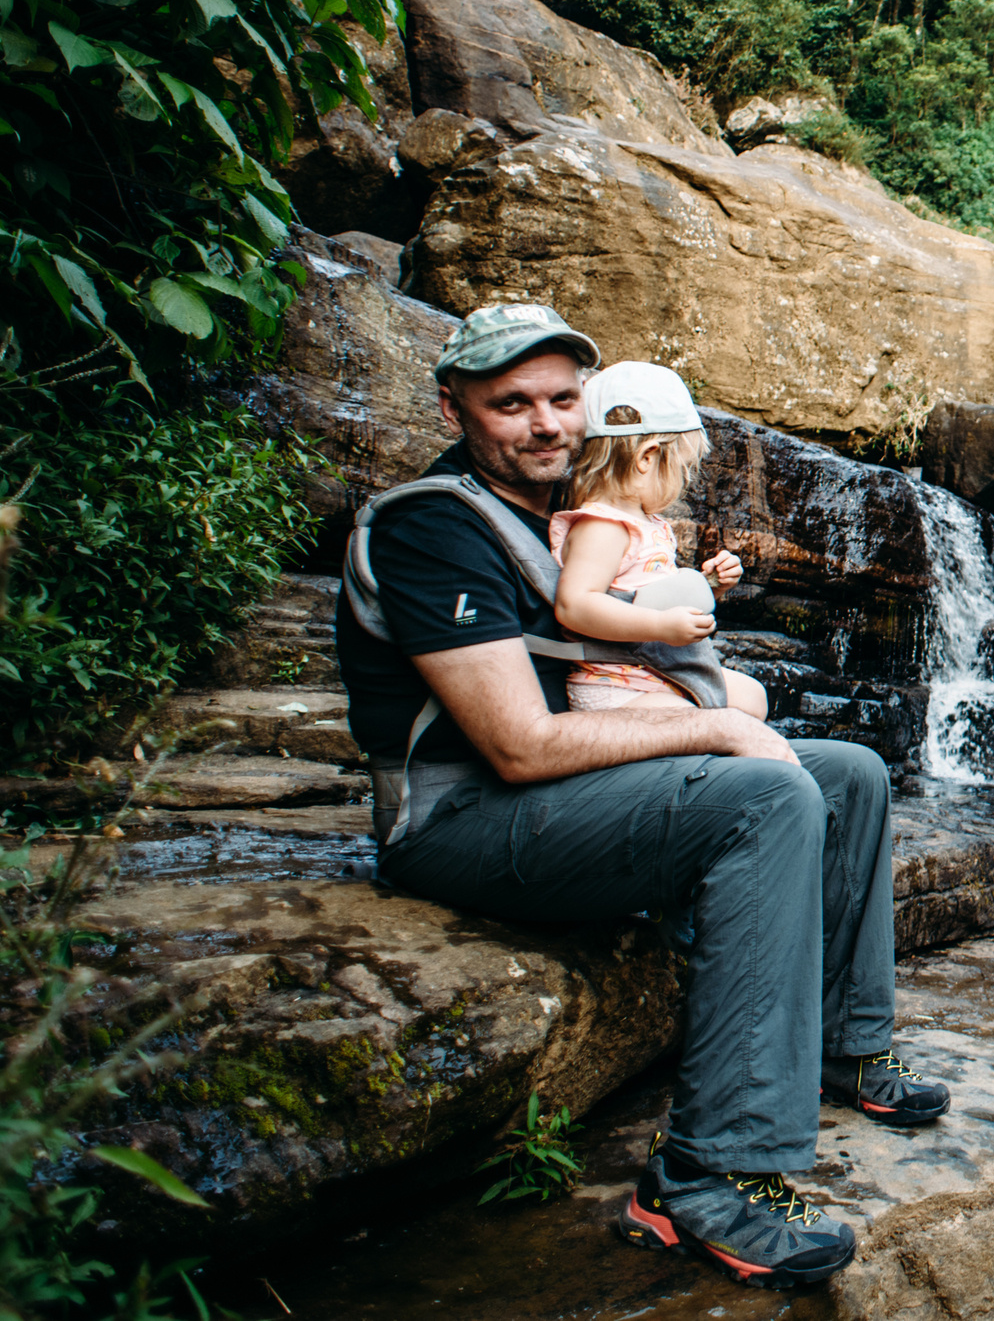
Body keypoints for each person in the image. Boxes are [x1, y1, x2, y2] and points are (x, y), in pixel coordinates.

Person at [333, 303, 949, 1293]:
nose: (546, 424)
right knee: (767, 797)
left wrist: (718, 685)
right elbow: (519, 745)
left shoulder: (576, 517)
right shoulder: (430, 528)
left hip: (587, 788)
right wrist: (718, 725)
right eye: (511, 404)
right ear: (454, 407)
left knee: (849, 773)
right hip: (462, 818)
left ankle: (845, 1049)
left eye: (564, 399)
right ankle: (708, 1176)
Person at [546, 359, 764, 718]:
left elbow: (644, 592)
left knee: (752, 697)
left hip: (654, 673)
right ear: (647, 458)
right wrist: (662, 627)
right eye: (681, 468)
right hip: (617, 686)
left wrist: (710, 587)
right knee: (715, 725)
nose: (683, 482)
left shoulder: (647, 523)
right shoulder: (603, 526)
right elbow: (575, 606)